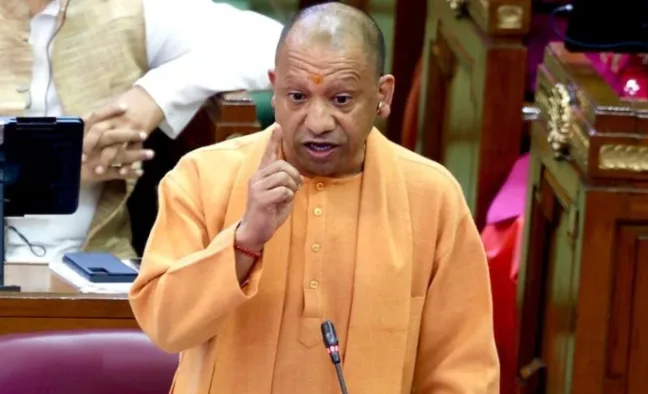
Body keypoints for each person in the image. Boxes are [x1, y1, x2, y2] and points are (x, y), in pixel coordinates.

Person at [129, 3, 499, 393]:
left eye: (341, 99)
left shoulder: (431, 197)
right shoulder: (204, 177)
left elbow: (464, 373)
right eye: (297, 97)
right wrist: (244, 241)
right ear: (274, 89)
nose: (318, 122)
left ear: (382, 94)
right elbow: (165, 328)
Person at [0, 0, 282, 263]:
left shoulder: (124, 9)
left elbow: (276, 45)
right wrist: (57, 169)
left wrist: (153, 97)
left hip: (96, 266)